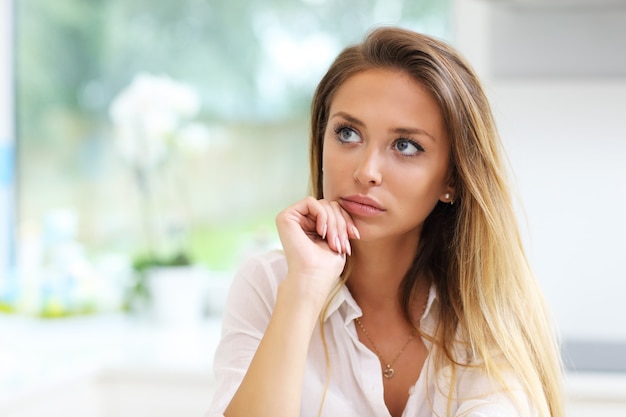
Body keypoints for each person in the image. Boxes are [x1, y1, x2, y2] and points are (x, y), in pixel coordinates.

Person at [206, 27, 563, 417]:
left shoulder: (490, 307)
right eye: (347, 133)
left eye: (406, 145)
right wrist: (305, 288)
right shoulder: (272, 285)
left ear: (452, 179)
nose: (366, 171)